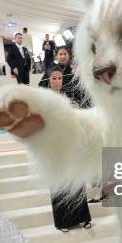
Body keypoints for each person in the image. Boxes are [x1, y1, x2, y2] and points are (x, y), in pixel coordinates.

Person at [45, 66, 92, 232]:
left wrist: (75, 110)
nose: (57, 81)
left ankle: (83, 217)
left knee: (76, 179)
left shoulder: (67, 96)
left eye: (59, 78)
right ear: (48, 80)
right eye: (54, 78)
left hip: (71, 142)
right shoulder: (44, 99)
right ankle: (62, 221)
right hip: (53, 144)